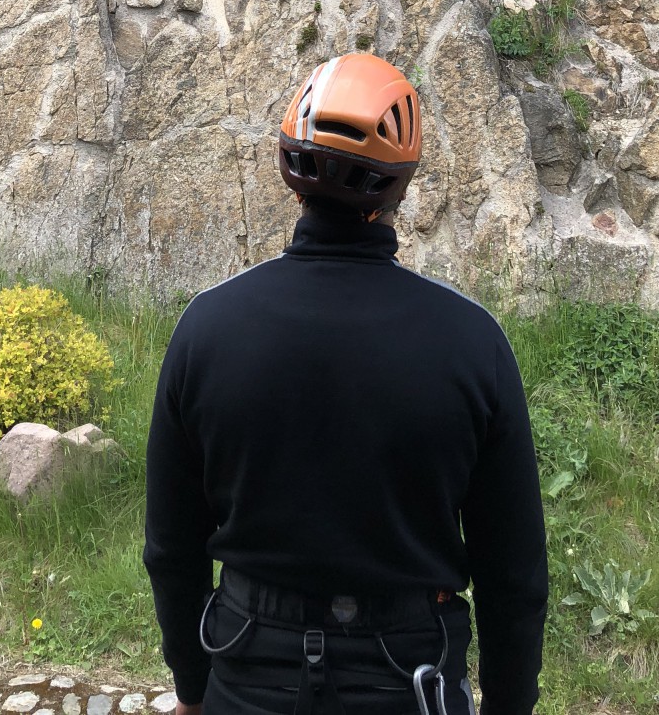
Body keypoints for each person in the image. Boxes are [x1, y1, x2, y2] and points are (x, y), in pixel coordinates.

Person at [143, 52, 548, 715]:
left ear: (288, 165)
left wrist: (192, 688)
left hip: (246, 672)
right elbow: (515, 576)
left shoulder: (206, 327)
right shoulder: (471, 341)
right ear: (401, 185)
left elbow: (171, 547)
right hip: (407, 676)